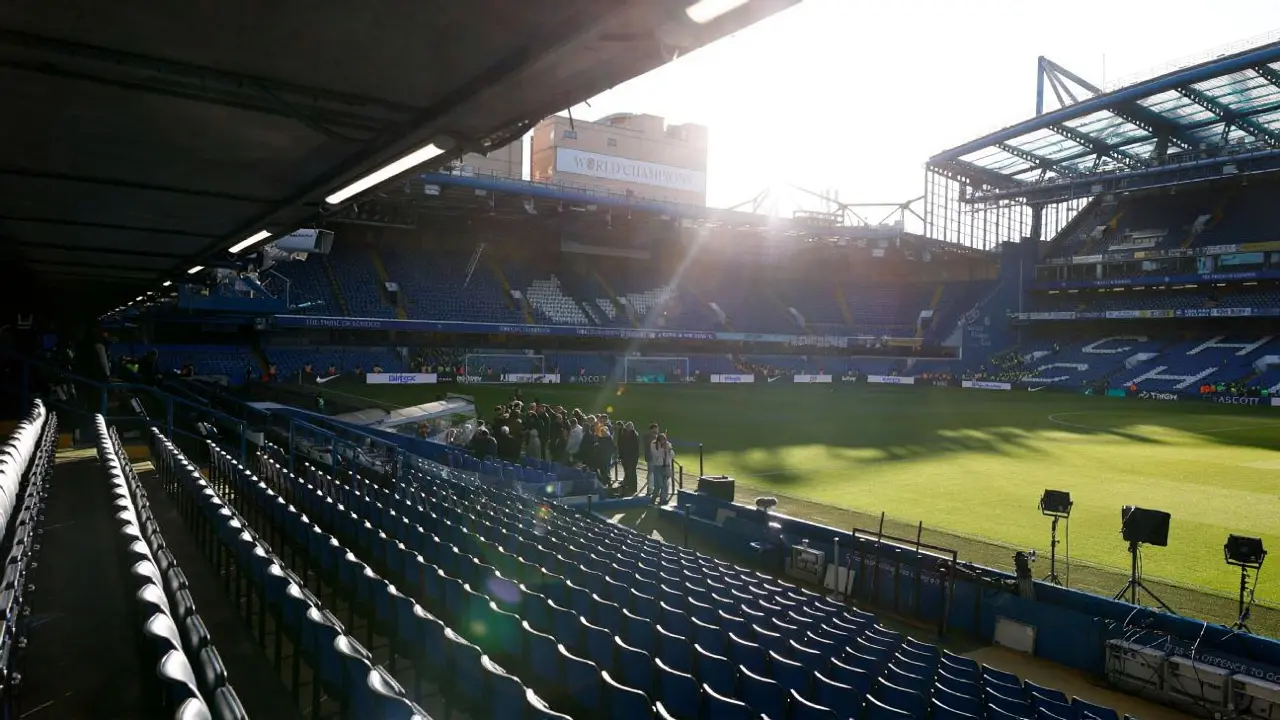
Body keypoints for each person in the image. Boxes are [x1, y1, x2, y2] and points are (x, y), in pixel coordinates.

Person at [649, 433, 675, 505]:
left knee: (665, 485)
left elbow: (673, 455)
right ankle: (653, 499)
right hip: (657, 467)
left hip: (666, 467)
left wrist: (669, 450)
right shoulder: (653, 444)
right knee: (658, 485)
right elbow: (655, 455)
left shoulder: (668, 444)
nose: (662, 442)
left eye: (664, 440)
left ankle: (663, 500)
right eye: (661, 440)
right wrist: (662, 449)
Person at [618, 422, 640, 496]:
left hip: (631, 457)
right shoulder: (626, 434)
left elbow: (635, 448)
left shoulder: (633, 436)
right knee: (628, 472)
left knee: (631, 472)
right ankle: (628, 485)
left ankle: (632, 487)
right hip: (626, 456)